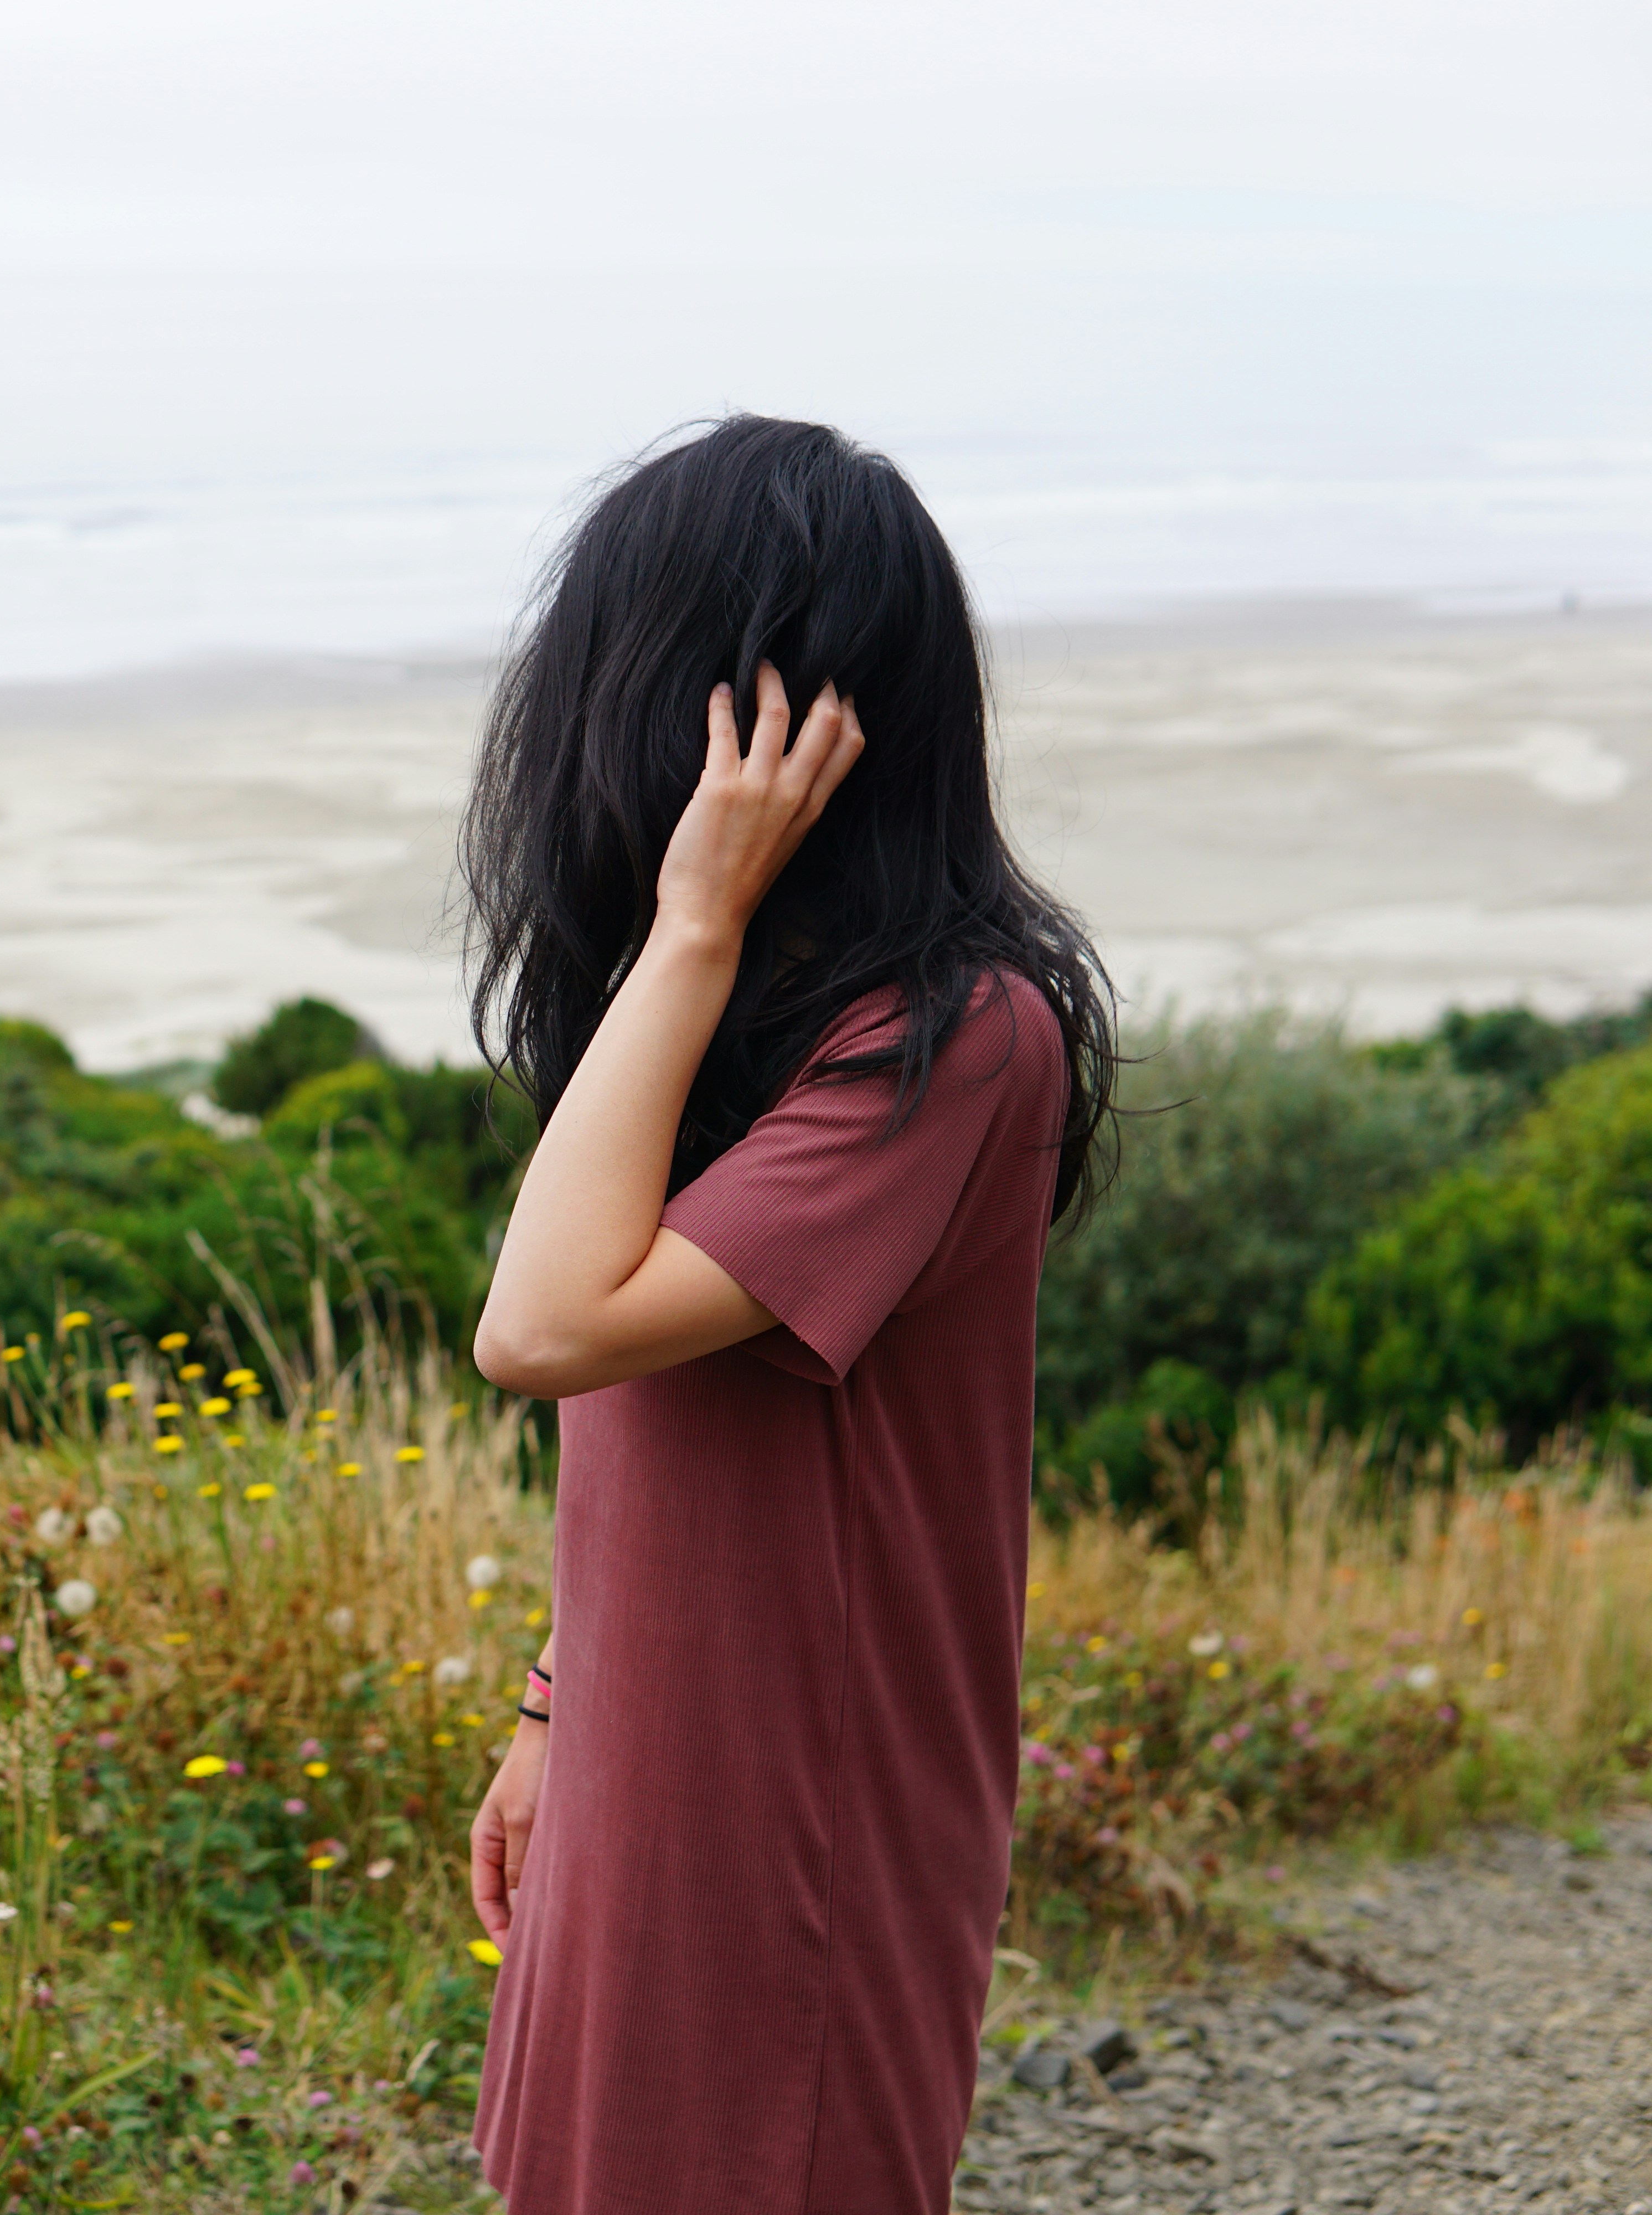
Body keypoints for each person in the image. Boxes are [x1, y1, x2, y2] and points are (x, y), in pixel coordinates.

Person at [457, 416, 1114, 2213]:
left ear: (758, 725)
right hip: (651, 1771)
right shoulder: (750, 1010)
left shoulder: (954, 1040)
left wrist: (687, 929)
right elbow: (661, 1427)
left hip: (785, 1828)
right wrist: (553, 1709)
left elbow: (543, 1331)